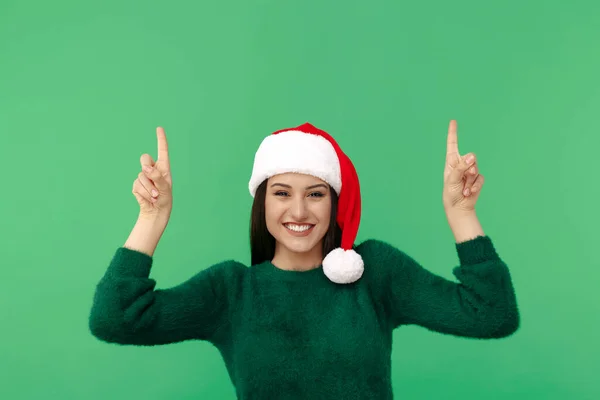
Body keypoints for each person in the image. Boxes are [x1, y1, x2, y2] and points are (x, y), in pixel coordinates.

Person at [89, 121, 520, 399]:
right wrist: (151, 218)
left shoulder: (375, 273)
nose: (298, 212)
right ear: (262, 204)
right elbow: (115, 319)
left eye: (315, 195)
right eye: (281, 193)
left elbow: (492, 315)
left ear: (335, 204)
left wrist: (462, 214)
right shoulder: (232, 291)